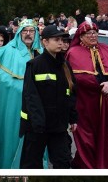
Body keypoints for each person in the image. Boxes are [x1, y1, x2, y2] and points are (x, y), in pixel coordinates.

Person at [19, 25, 77, 169]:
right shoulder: (35, 65)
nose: (60, 43)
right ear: (45, 42)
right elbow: (30, 96)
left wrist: (73, 118)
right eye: (56, 39)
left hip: (59, 127)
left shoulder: (65, 65)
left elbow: (70, 93)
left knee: (63, 162)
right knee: (31, 164)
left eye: (62, 40)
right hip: (37, 127)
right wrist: (38, 124)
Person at [66, 20, 108, 168]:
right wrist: (98, 86)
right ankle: (86, 165)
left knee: (102, 136)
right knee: (86, 138)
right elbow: (78, 78)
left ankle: (97, 165)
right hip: (84, 103)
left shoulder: (106, 50)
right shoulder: (73, 52)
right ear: (81, 36)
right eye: (88, 33)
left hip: (105, 103)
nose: (92, 35)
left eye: (94, 32)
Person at [0, 19, 43, 168]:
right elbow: (1, 77)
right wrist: (20, 88)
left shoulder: (41, 52)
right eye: (25, 31)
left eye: (31, 31)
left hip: (37, 104)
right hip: (13, 102)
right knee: (12, 133)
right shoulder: (7, 50)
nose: (28, 34)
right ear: (19, 33)